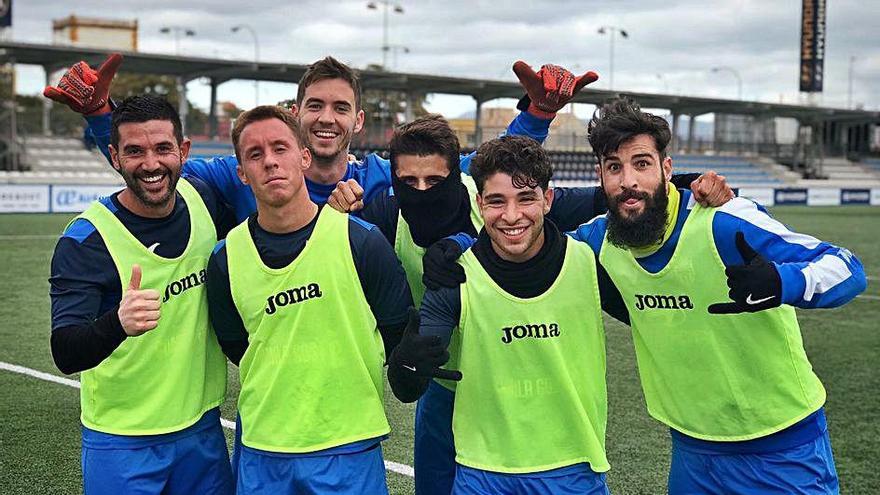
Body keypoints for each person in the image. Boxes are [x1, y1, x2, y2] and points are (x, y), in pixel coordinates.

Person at [426, 97, 868, 494]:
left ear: (667, 167)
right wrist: (459, 248)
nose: (628, 181)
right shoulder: (598, 242)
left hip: (783, 445)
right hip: (693, 453)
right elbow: (524, 237)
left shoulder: (723, 220)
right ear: (600, 175)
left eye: (641, 163)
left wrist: (781, 283)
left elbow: (847, 267)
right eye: (615, 167)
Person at [354, 112, 731, 494]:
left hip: (559, 446)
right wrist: (405, 358)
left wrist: (683, 184)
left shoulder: (580, 252)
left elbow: (621, 196)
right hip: (447, 387)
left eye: (434, 180)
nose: (422, 191)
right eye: (409, 182)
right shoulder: (387, 218)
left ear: (459, 179)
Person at [45, 55, 561, 221]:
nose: (326, 118)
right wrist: (99, 115)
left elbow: (481, 167)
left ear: (359, 121)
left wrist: (537, 113)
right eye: (315, 105)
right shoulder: (241, 174)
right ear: (296, 114)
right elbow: (152, 162)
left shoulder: (386, 176)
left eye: (341, 107)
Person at [204, 105, 414, 494]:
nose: (269, 162)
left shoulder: (361, 241)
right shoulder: (225, 258)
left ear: (303, 157)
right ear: (241, 174)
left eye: (280, 148)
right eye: (255, 154)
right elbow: (236, 344)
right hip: (264, 448)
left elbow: (395, 328)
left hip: (348, 445)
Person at [389, 135, 615, 494]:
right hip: (481, 474)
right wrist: (407, 364)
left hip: (574, 469)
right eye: (496, 201)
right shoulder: (454, 276)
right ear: (480, 202)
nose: (511, 216)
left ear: (548, 200)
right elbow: (409, 385)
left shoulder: (589, 259)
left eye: (525, 198)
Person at [48, 94, 234, 494]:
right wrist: (117, 323)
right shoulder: (86, 240)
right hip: (122, 441)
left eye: (163, 148)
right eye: (135, 151)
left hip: (202, 430)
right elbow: (64, 351)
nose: (151, 164)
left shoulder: (204, 201)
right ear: (114, 156)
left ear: (183, 151)